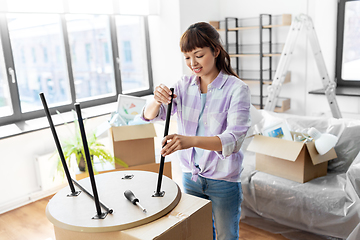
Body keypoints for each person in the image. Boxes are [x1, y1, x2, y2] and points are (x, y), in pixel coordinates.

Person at [141, 22, 251, 240]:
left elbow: (233, 139)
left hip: (224, 180)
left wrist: (189, 141)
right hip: (191, 178)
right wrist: (156, 99)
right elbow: (150, 115)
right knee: (199, 233)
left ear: (216, 51)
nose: (193, 64)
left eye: (199, 55)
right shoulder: (183, 85)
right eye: (187, 58)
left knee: (227, 237)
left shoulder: (237, 89)